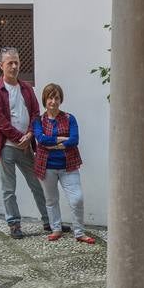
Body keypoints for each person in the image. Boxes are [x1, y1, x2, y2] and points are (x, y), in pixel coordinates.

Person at [0, 47, 51, 238]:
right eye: (10, 63)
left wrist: (30, 134)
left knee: (37, 184)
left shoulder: (26, 88)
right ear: (1, 65)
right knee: (8, 189)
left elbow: (35, 113)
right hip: (6, 146)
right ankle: (14, 224)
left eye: (16, 62)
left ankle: (49, 221)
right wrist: (18, 138)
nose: (14, 66)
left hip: (26, 146)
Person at [34, 83, 95, 244]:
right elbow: (41, 139)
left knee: (77, 199)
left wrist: (53, 144)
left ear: (61, 100)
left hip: (69, 165)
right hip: (46, 166)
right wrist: (62, 139)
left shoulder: (69, 118)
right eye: (50, 98)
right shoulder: (38, 120)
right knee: (51, 200)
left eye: (56, 98)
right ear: (44, 100)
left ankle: (79, 232)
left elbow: (74, 140)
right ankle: (56, 229)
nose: (53, 101)